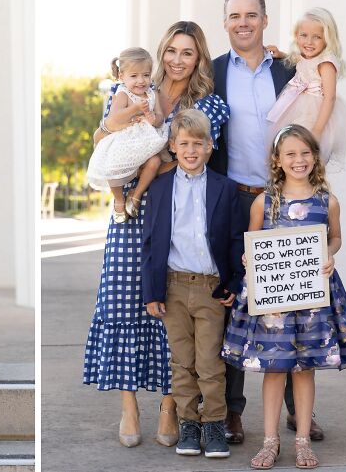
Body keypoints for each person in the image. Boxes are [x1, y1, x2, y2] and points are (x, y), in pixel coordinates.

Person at [83, 21, 229, 449]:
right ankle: (129, 406)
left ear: (199, 58)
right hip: (127, 212)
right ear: (160, 52)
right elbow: (99, 139)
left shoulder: (210, 105)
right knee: (123, 301)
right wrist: (126, 145)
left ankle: (171, 406)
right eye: (171, 50)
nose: (177, 60)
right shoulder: (131, 90)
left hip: (175, 216)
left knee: (171, 312)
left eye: (188, 52)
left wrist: (146, 155)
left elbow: (185, 160)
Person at [209, 0, 324, 444]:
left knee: (293, 300)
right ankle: (232, 411)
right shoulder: (212, 72)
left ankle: (300, 412)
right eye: (234, 15)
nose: (243, 22)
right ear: (225, 22)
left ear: (265, 20)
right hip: (232, 200)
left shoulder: (290, 69)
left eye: (251, 15)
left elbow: (318, 115)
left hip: (286, 199)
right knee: (235, 301)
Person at [221, 125, 346, 469]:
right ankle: (270, 441)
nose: (298, 160)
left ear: (314, 157)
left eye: (305, 153)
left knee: (304, 369)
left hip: (313, 296)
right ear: (277, 160)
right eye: (290, 154)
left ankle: (302, 439)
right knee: (274, 369)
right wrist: (249, 257)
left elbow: (335, 237)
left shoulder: (326, 200)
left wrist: (328, 255)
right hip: (275, 303)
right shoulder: (264, 201)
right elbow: (253, 241)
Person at [141, 109, 245, 459]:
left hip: (210, 287)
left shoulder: (224, 188)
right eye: (183, 144)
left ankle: (214, 423)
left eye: (197, 144)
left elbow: (234, 239)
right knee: (181, 361)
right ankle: (188, 424)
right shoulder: (159, 188)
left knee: (210, 362)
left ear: (209, 146)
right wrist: (152, 291)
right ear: (172, 146)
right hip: (172, 287)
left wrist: (232, 282)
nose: (190, 150)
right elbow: (152, 242)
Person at [86, 48, 168, 223]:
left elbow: (160, 117)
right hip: (125, 141)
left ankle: (135, 194)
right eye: (134, 76)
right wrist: (136, 108)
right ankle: (119, 198)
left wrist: (154, 119)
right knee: (112, 166)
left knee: (155, 162)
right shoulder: (123, 94)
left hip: (146, 142)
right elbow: (114, 118)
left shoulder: (153, 94)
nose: (141, 81)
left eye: (145, 75)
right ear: (122, 76)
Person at [266, 8, 346, 165]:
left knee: (305, 148)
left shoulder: (326, 63)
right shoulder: (306, 56)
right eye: (304, 35)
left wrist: (318, 130)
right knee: (290, 144)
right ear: (296, 36)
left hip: (316, 112)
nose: (309, 42)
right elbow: (301, 61)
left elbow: (330, 98)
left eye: (317, 37)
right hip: (298, 108)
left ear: (327, 39)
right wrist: (281, 54)